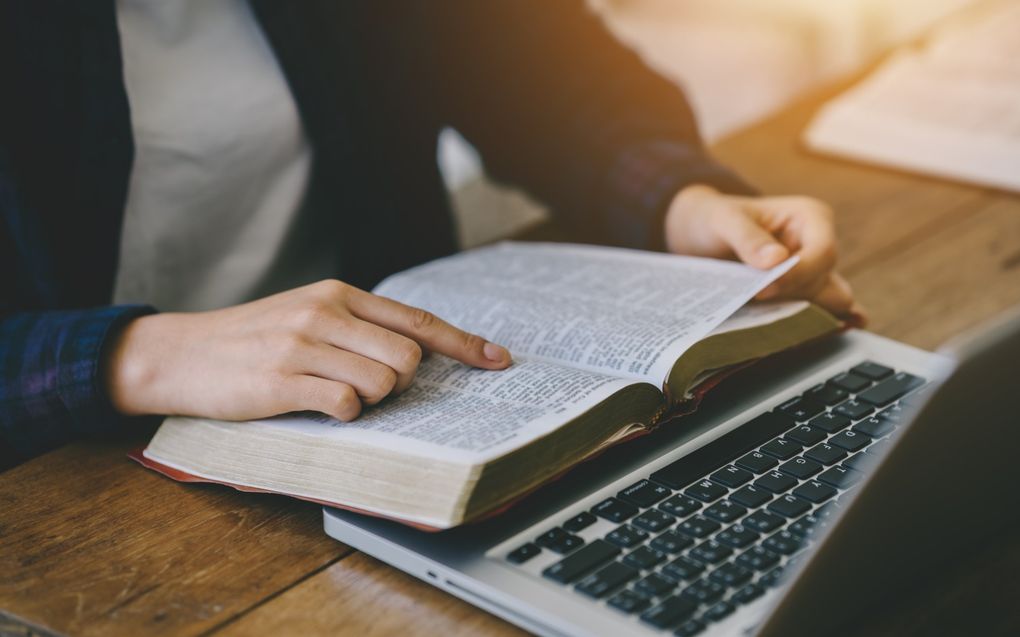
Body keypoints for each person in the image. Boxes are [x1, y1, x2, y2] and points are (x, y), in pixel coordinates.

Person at [0, 1, 860, 470]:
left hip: (391, 429)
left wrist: (679, 198)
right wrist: (135, 357)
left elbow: (541, 69)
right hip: (64, 488)